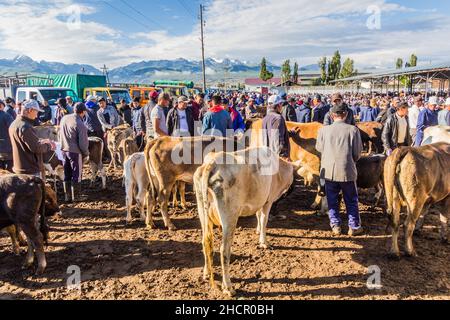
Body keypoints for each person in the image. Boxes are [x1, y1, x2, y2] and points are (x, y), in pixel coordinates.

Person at [316, 103, 363, 237]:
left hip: (329, 171)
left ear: (332, 115)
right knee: (351, 199)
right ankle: (353, 226)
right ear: (346, 114)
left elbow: (319, 149)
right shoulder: (353, 130)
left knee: (332, 200)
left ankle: (335, 225)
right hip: (347, 170)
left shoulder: (323, 130)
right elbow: (357, 153)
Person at [9, 100, 55, 177]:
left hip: (20, 167)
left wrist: (41, 140)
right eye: (36, 112)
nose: (37, 116)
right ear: (30, 110)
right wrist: (49, 145)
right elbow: (37, 148)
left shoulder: (14, 123)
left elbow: (26, 142)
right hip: (29, 170)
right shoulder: (25, 127)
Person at [59, 102, 89, 202]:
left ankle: (67, 196)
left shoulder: (65, 118)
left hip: (63, 149)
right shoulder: (80, 124)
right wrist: (85, 153)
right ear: (83, 112)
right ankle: (76, 196)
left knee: (67, 173)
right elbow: (83, 143)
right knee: (77, 173)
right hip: (75, 152)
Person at [262, 95, 290, 160]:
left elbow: (270, 134)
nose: (282, 106)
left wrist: (289, 133)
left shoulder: (265, 118)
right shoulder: (278, 118)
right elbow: (278, 139)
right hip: (277, 157)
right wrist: (283, 156)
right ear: (278, 105)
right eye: (281, 104)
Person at [0, 99, 14, 171]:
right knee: (9, 169)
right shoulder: (6, 116)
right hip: (7, 147)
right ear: (1, 105)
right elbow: (13, 129)